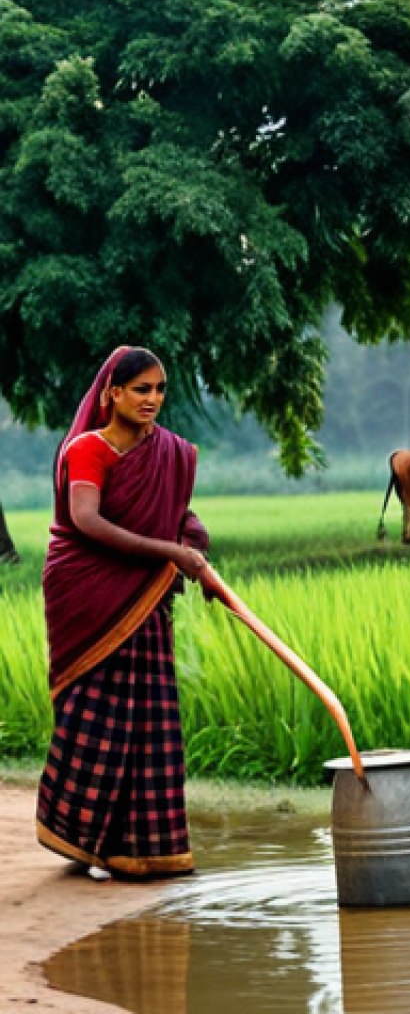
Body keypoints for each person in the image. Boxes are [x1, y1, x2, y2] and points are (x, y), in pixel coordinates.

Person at [36, 346, 209, 879]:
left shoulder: (170, 452)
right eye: (141, 389)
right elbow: (85, 521)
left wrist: (195, 547)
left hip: (145, 599)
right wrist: (171, 553)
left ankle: (139, 848)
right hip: (91, 594)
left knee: (150, 721)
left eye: (159, 389)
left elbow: (178, 515)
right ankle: (79, 835)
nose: (152, 399)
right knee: (100, 720)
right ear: (112, 393)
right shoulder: (88, 449)